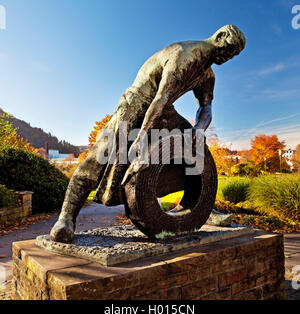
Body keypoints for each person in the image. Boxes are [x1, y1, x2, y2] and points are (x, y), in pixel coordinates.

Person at [50, 24, 246, 243]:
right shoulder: (187, 55)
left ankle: (201, 206)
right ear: (219, 37)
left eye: (233, 55)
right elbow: (159, 99)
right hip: (137, 104)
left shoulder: (207, 74)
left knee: (195, 150)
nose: (227, 57)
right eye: (229, 49)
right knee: (101, 158)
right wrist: (142, 138)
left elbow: (206, 107)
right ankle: (66, 218)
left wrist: (199, 130)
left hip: (162, 109)